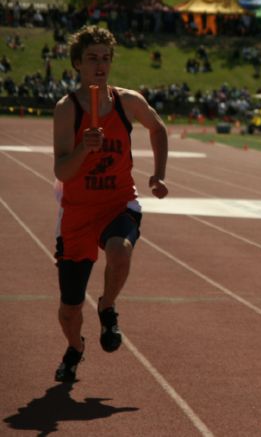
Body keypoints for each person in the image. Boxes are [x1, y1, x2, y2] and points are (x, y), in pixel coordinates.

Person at [52, 25, 169, 382]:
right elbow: (61, 170)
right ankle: (75, 348)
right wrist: (84, 149)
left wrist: (158, 174)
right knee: (70, 309)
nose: (100, 65)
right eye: (92, 58)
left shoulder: (126, 101)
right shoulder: (67, 109)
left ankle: (107, 305)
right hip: (77, 214)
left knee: (120, 252)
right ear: (77, 63)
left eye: (105, 58)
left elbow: (158, 127)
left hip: (119, 203)